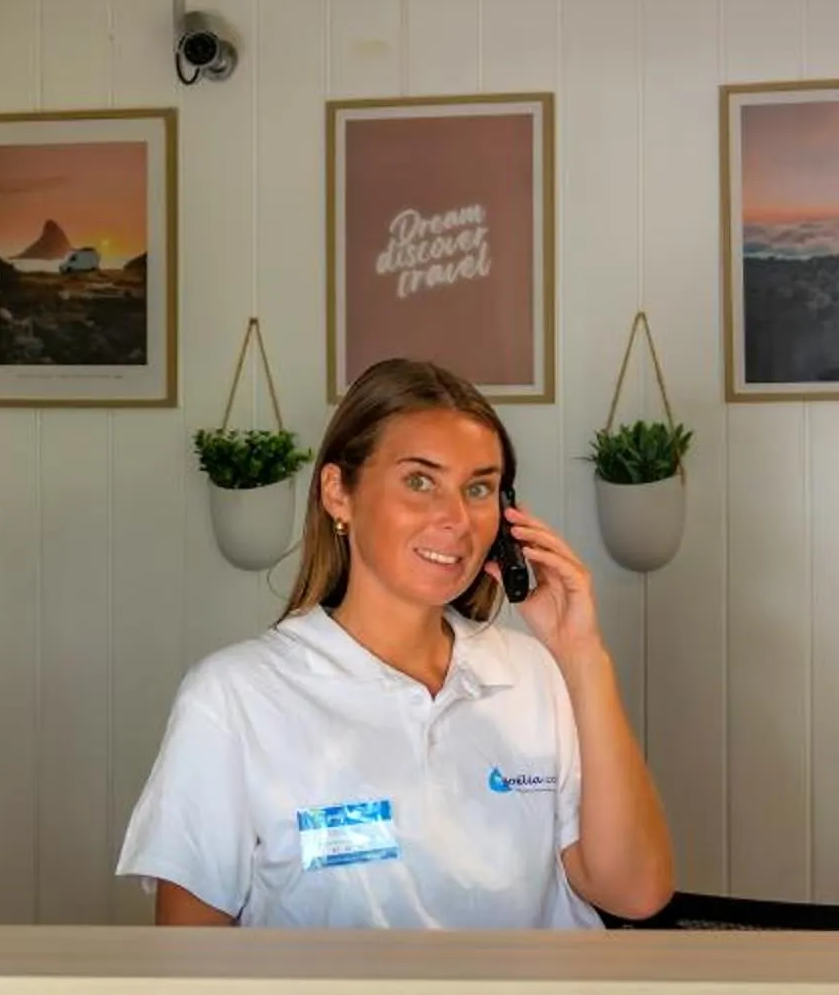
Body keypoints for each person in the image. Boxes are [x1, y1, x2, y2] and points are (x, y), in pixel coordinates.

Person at [118, 357, 675, 928]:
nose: (456, 518)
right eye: (419, 481)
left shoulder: (536, 673)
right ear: (338, 493)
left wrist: (583, 656)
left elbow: (635, 893)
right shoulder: (235, 697)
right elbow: (190, 958)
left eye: (478, 487)